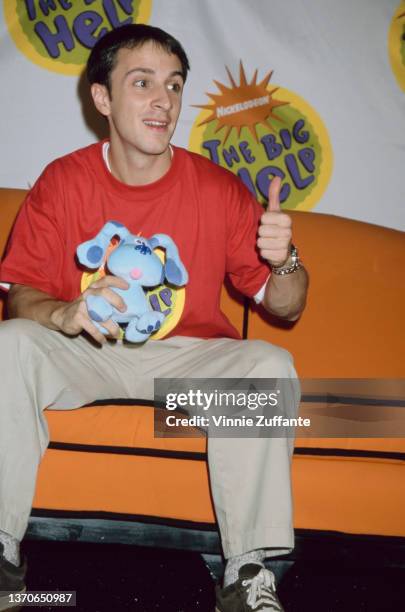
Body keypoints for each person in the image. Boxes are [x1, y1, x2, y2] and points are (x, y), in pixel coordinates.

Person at [0, 24, 308, 612]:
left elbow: (285, 307)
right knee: (9, 342)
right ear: (102, 98)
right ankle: (3, 558)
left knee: (268, 361)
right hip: (86, 353)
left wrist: (286, 260)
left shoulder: (218, 188)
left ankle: (246, 574)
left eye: (173, 84)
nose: (162, 100)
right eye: (141, 83)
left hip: (186, 365)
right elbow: (20, 298)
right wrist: (63, 313)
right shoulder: (63, 180)